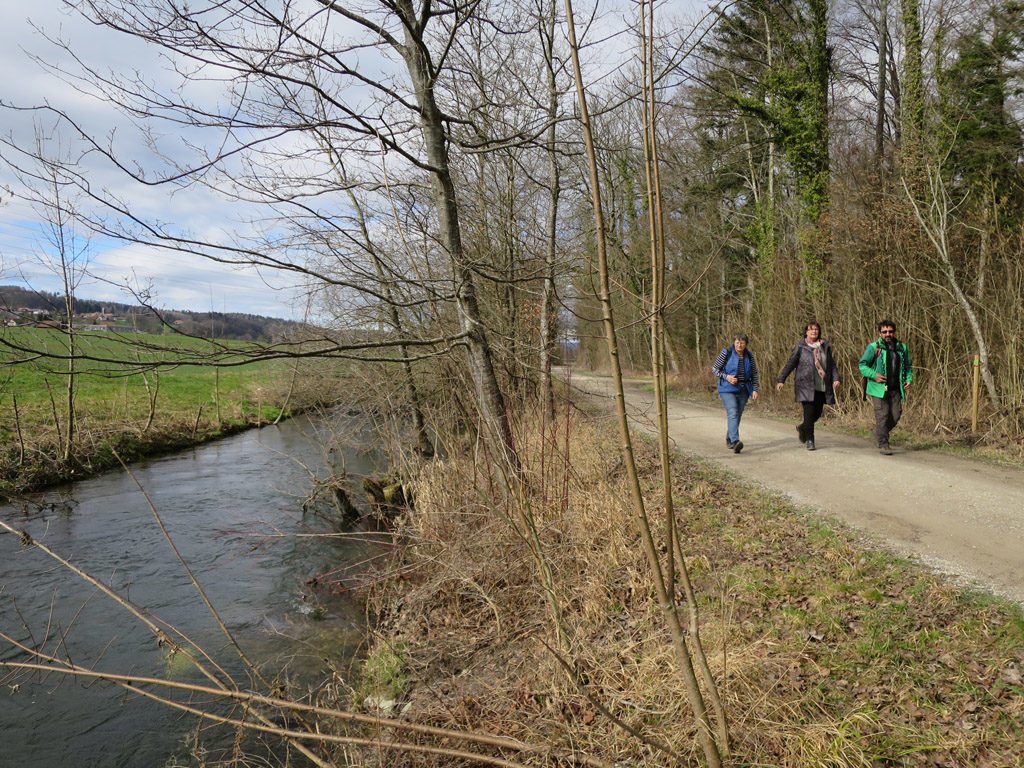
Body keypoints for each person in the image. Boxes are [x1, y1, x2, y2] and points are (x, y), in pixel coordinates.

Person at [775, 321, 841, 451]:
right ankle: (810, 440)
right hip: (805, 385)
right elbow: (790, 364)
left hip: (821, 385)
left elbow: (831, 364)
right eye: (811, 330)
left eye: (816, 329)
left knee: (817, 413)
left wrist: (836, 378)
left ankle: (803, 427)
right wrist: (781, 379)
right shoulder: (800, 347)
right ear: (806, 332)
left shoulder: (825, 346)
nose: (814, 332)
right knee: (809, 413)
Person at [859, 319, 913, 455]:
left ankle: (878, 432)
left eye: (890, 331)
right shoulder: (873, 347)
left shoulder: (901, 347)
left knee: (896, 415)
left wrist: (908, 379)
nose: (888, 334)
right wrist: (874, 375)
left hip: (896, 388)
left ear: (894, 332)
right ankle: (883, 443)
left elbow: (908, 366)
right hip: (878, 388)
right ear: (879, 333)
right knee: (882, 415)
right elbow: (862, 365)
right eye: (885, 332)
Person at [712, 333, 760, 453]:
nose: (739, 345)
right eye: (737, 342)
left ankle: (730, 438)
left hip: (744, 389)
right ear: (734, 343)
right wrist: (727, 377)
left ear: (746, 344)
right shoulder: (726, 353)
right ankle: (735, 441)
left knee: (737, 414)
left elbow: (754, 373)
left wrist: (755, 389)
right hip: (727, 388)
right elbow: (715, 369)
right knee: (733, 411)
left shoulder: (749, 355)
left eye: (742, 342)